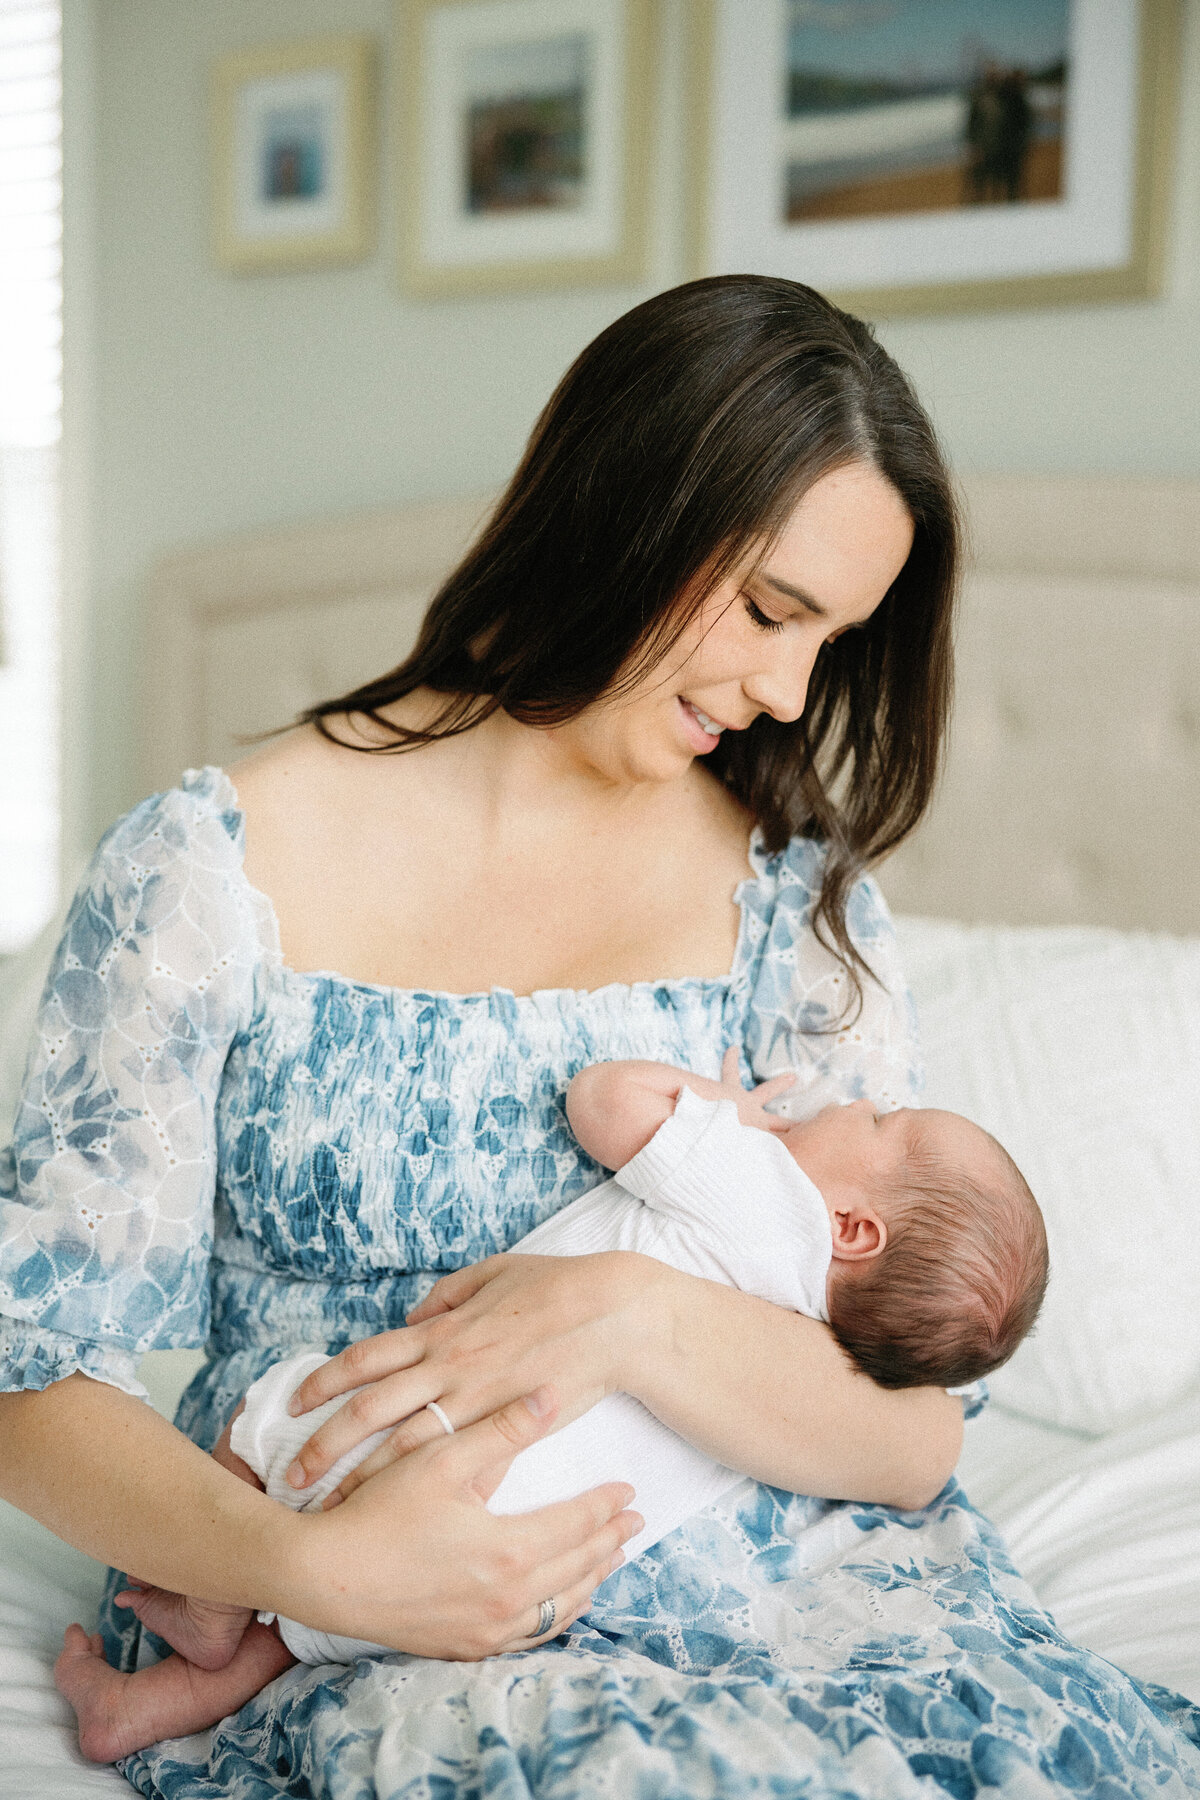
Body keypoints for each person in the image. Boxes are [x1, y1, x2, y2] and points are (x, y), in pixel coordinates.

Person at [2, 277, 1197, 1798]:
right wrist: (320, 1574)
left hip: (817, 1594)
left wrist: (635, 1313)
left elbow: (914, 1444)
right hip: (408, 1619)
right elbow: (28, 1386)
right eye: (773, 611)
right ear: (626, 510)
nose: (784, 690)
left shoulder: (794, 904)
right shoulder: (211, 875)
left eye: (829, 643)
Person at [54, 1051, 1048, 1760]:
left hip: (421, 1428)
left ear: (854, 1226)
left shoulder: (764, 1187)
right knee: (308, 1631)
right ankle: (146, 1709)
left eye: (884, 1123)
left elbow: (604, 1101)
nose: (867, 1098)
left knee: (269, 1422)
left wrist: (734, 1111)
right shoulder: (820, 1344)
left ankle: (209, 1599)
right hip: (517, 1562)